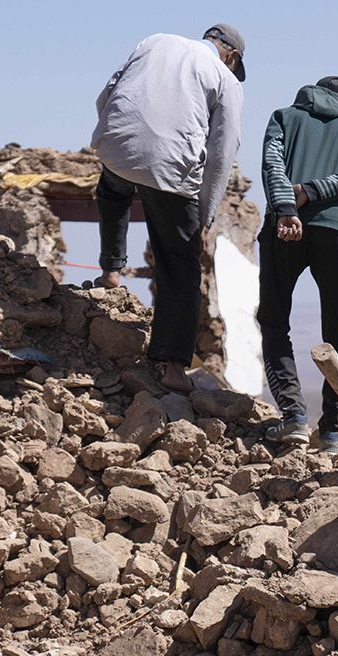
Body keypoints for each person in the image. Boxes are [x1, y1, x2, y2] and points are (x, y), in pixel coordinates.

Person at [90, 24, 247, 391]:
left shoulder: (153, 41)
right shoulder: (226, 79)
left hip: (116, 146)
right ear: (232, 56)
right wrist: (203, 218)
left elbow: (109, 92)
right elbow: (223, 150)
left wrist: (108, 133)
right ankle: (172, 365)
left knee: (113, 192)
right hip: (169, 169)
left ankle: (111, 270)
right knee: (180, 267)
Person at [256, 76, 338, 453]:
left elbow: (272, 165)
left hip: (282, 227)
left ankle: (293, 417)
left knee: (274, 319)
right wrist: (314, 192)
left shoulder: (283, 117)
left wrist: (286, 207)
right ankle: (332, 432)